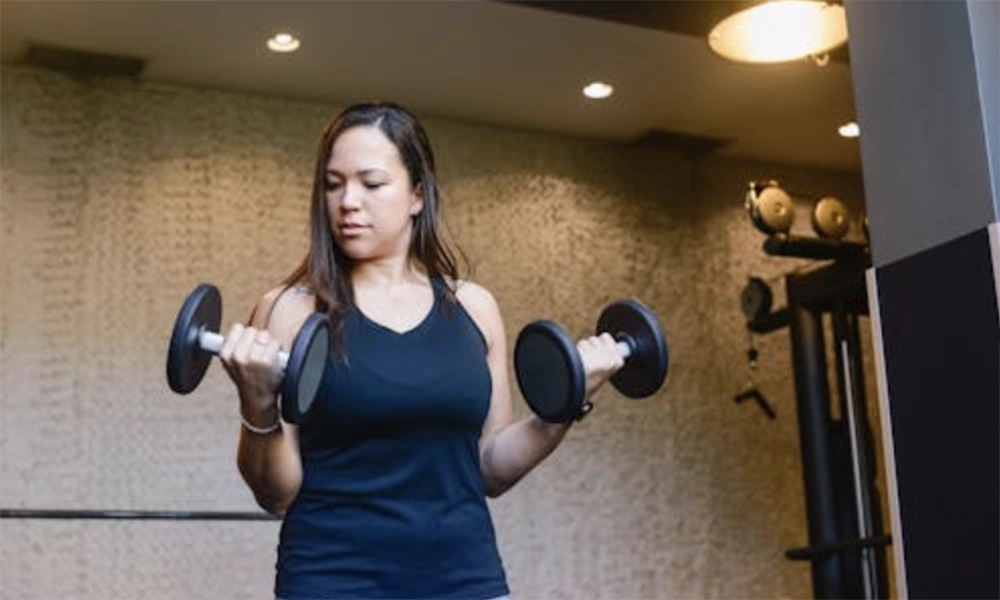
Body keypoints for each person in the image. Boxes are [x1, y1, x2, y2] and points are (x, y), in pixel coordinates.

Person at [218, 102, 624, 600]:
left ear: (417, 195)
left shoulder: (474, 307)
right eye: (332, 184)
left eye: (371, 183)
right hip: (332, 581)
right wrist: (257, 402)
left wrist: (568, 402)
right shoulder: (290, 309)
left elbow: (490, 468)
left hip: (467, 580)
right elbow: (275, 495)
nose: (347, 202)